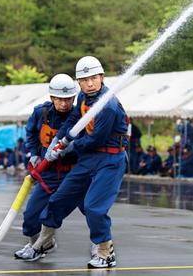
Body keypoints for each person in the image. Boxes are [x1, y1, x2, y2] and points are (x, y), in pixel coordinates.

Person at [22, 55, 128, 268]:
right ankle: (45, 241)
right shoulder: (82, 98)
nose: (90, 83)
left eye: (94, 78)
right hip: (89, 159)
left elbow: (93, 138)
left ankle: (106, 251)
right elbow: (72, 121)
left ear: (102, 77)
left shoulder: (108, 105)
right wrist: (58, 141)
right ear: (79, 82)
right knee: (58, 200)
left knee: (93, 207)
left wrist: (65, 149)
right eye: (85, 79)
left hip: (110, 159)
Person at [14, 73, 78, 259]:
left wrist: (70, 149)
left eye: (68, 99)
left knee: (91, 210)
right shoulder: (40, 112)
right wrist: (33, 153)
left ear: (74, 98)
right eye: (60, 99)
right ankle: (35, 245)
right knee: (31, 215)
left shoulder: (79, 116)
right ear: (52, 98)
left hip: (72, 175)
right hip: (47, 173)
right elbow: (31, 133)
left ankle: (102, 248)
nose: (64, 104)